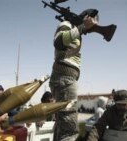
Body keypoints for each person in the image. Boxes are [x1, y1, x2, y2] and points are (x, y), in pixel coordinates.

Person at [49, 9, 99, 141]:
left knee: (62, 127)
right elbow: (58, 41)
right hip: (64, 79)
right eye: (92, 22)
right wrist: (82, 27)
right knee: (71, 131)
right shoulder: (67, 24)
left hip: (65, 79)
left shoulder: (75, 30)